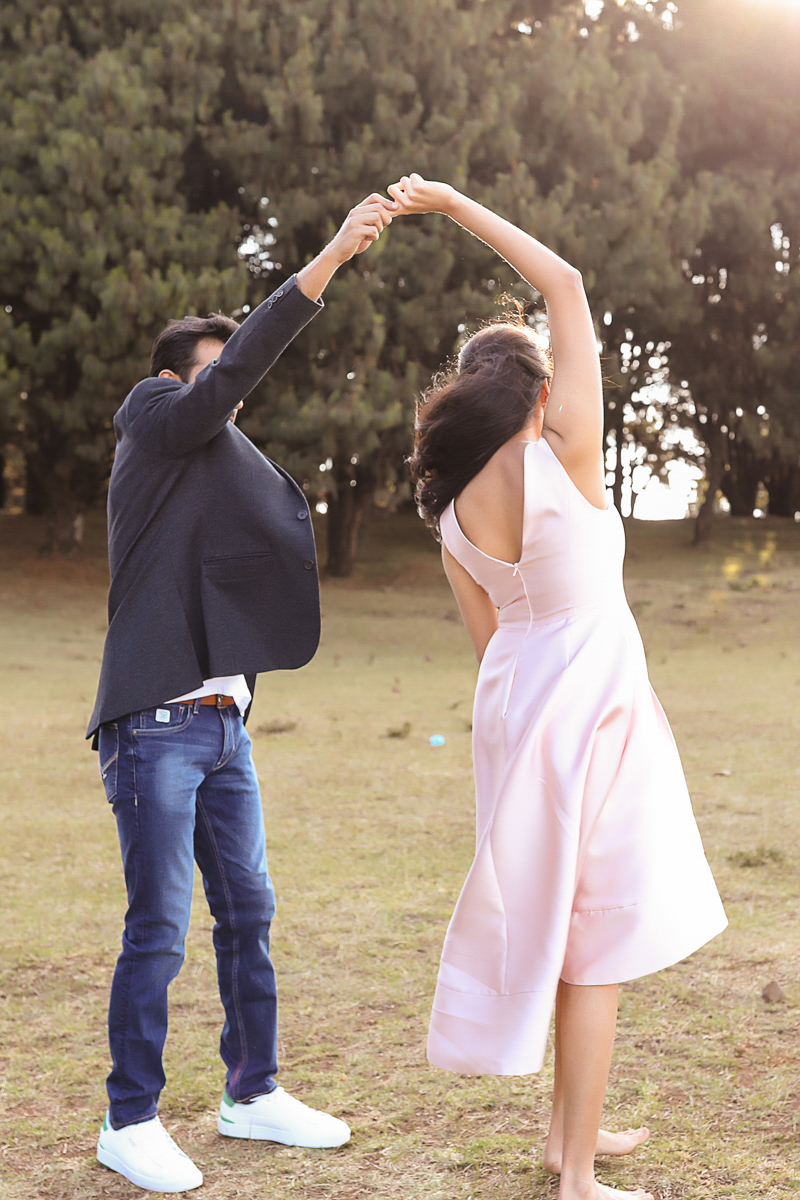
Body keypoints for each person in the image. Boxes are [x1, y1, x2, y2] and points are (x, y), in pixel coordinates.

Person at [391, 174, 727, 1200]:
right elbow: (567, 282)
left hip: (518, 706)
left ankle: (561, 1143)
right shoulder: (562, 451)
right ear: (535, 391)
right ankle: (576, 1175)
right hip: (589, 703)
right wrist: (452, 206)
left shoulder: (448, 513)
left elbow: (488, 640)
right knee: (596, 942)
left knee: (558, 921)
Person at [87, 192, 398, 1194]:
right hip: (156, 724)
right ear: (178, 377)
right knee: (158, 928)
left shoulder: (211, 458)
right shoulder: (155, 420)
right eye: (219, 369)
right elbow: (231, 375)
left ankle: (250, 1094)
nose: (237, 386)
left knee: (249, 915)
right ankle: (127, 1119)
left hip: (223, 728)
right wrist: (330, 260)